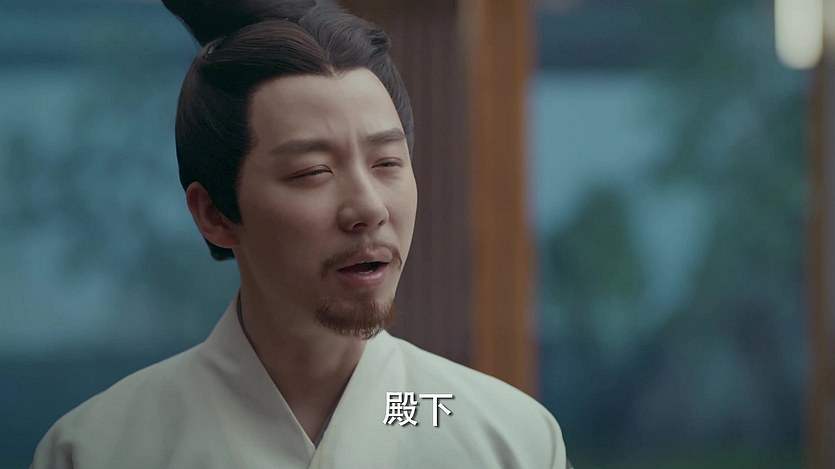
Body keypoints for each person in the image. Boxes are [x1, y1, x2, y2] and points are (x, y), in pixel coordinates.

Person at [31, 1, 568, 467]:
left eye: (387, 162)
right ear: (214, 213)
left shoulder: (511, 440)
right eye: (313, 172)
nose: (368, 208)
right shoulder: (97, 449)